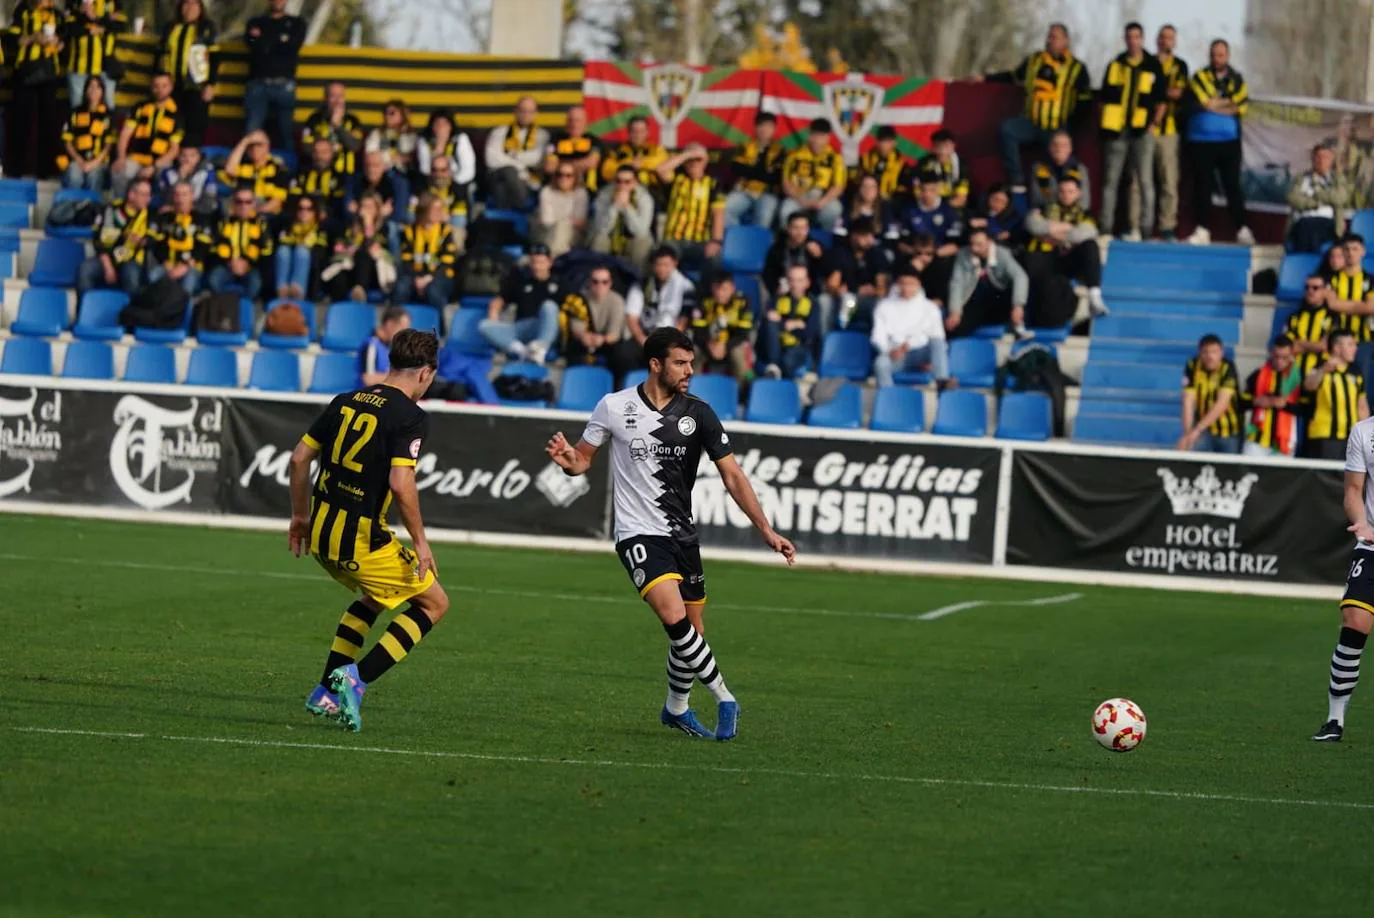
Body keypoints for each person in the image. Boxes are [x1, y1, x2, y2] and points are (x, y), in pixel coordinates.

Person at [544, 326, 796, 740]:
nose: (689, 370)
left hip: (682, 534)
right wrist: (570, 461)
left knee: (692, 633)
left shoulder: (699, 413)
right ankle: (724, 696)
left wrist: (765, 529)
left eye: (692, 363)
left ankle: (676, 708)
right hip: (637, 533)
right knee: (674, 619)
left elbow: (732, 475)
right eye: (680, 363)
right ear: (655, 364)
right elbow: (582, 460)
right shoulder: (613, 406)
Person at [289, 328, 450, 733]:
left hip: (323, 533)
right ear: (426, 373)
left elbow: (298, 460)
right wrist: (421, 542)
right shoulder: (410, 416)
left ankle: (325, 692)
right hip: (362, 540)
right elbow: (401, 483)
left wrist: (300, 517)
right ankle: (354, 681)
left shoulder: (345, 401)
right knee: (434, 603)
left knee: (376, 597)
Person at [1311, 402, 1374, 742]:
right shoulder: (1364, 432)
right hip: (1372, 544)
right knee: (1354, 621)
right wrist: (1361, 522)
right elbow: (1352, 491)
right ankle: (1334, 720)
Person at [980, 23, 1092, 189]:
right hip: (1030, 123)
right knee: (1007, 129)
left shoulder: (1077, 68)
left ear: (1065, 41)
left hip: (1056, 128)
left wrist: (1069, 128)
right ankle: (1017, 180)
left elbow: (1085, 100)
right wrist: (986, 79)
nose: (1049, 41)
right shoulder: (1034, 61)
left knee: (1060, 153)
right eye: (1048, 36)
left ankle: (1063, 192)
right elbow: (1014, 76)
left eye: (1054, 37)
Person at [1097, 21, 1165, 240]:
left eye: (1137, 37)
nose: (1133, 41)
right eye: (1129, 37)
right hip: (1116, 131)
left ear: (1142, 39)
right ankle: (1106, 228)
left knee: (1145, 180)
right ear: (1125, 39)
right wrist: (1105, 122)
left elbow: (1162, 101)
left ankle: (1146, 230)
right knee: (1111, 180)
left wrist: (1153, 125)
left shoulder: (1153, 65)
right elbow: (1103, 98)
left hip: (1142, 131)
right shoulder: (1115, 64)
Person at [1185, 39, 1254, 246]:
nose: (1217, 58)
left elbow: (1239, 106)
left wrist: (1217, 104)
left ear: (1228, 56)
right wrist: (1223, 104)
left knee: (1232, 185)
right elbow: (1205, 102)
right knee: (1202, 186)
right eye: (1214, 54)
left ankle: (1241, 229)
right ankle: (1202, 229)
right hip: (1200, 141)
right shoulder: (1199, 77)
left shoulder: (1238, 79)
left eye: (1221, 54)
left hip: (1228, 141)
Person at [1024, 174, 1108, 324]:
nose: (1066, 195)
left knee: (1090, 246)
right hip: (1045, 259)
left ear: (1078, 193)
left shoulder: (1085, 213)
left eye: (1070, 191)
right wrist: (1065, 228)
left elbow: (1085, 233)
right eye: (1062, 191)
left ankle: (1094, 297)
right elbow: (1032, 224)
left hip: (1068, 259)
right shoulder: (1044, 208)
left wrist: (1051, 233)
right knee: (1032, 256)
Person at [1131, 24, 1188, 241]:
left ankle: (1167, 226)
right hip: (1143, 128)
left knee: (1169, 180)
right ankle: (1135, 225)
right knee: (1138, 179)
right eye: (1162, 38)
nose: (1166, 42)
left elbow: (1178, 92)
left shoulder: (1180, 65)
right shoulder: (1146, 62)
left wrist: (1157, 91)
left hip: (1169, 130)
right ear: (1156, 40)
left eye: (1170, 38)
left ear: (1175, 41)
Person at [358, 306, 468, 401]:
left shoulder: (390, 347)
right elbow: (368, 379)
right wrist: (404, 376)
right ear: (390, 324)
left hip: (394, 395)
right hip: (375, 399)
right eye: (403, 328)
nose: (405, 333)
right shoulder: (372, 345)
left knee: (453, 388)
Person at [11, 0, 67, 180]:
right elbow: (13, 38)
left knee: (48, 123)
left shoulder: (57, 14)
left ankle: (45, 170)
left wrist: (56, 42)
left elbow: (63, 42)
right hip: (26, 71)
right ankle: (16, 169)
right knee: (21, 121)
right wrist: (33, 38)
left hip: (49, 73)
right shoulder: (23, 9)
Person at [480, 244, 562, 365]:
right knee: (484, 326)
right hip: (521, 328)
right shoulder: (521, 280)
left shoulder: (559, 283)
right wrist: (493, 313)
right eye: (534, 262)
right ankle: (523, 352)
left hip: (544, 327)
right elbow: (500, 300)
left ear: (549, 262)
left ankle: (540, 348)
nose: (537, 267)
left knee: (549, 306)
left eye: (541, 262)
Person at [871, 267, 951, 389]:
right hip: (896, 354)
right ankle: (889, 398)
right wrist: (889, 350)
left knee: (938, 342)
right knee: (880, 363)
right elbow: (878, 335)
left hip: (921, 353)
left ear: (918, 284)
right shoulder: (884, 306)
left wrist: (910, 345)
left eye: (911, 284)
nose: (906, 288)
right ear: (897, 284)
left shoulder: (930, 308)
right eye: (903, 283)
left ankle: (942, 382)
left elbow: (938, 338)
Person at [946, 225, 1031, 339]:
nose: (975, 248)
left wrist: (1018, 305)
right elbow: (957, 283)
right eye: (972, 244)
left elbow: (1020, 276)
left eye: (979, 244)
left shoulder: (1002, 254)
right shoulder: (963, 255)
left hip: (999, 298)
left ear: (989, 242)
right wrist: (955, 311)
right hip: (975, 301)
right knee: (954, 328)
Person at [243, 0, 305, 149]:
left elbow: (293, 46)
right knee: (252, 131)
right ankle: (248, 169)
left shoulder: (296, 23)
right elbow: (250, 43)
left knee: (285, 132)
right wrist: (280, 40)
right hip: (258, 84)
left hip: (284, 85)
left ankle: (288, 169)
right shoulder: (255, 21)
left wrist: (264, 39)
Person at [111, 71, 182, 200]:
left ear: (171, 87)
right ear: (151, 87)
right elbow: (124, 135)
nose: (159, 90)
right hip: (137, 158)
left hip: (161, 162)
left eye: (164, 86)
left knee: (170, 178)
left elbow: (174, 150)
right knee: (119, 171)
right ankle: (121, 205)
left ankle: (160, 211)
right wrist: (121, 157)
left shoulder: (177, 113)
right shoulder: (140, 107)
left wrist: (154, 166)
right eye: (156, 86)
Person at [78, 177, 153, 296]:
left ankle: (131, 314)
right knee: (85, 270)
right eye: (144, 195)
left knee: (131, 276)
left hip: (132, 260)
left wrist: (142, 242)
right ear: (131, 195)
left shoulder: (151, 214)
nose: (148, 199)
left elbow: (153, 240)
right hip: (107, 258)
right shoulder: (111, 210)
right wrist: (108, 266)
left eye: (149, 195)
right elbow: (98, 241)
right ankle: (84, 311)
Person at [158, 0, 218, 149]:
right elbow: (160, 53)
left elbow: (215, 58)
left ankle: (191, 162)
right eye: (186, 4)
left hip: (196, 87)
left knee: (195, 127)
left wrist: (210, 84)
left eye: (194, 4)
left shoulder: (206, 28)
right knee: (169, 125)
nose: (189, 8)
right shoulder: (170, 27)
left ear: (200, 8)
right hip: (171, 87)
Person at [656, 143, 725, 269]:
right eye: (690, 160)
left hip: (699, 242)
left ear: (705, 162)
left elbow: (718, 214)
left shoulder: (713, 183)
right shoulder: (676, 179)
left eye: (698, 159)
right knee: (663, 260)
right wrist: (688, 154)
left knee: (715, 257)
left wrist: (716, 241)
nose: (694, 163)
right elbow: (660, 169)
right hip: (673, 240)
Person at [561, 266, 637, 381]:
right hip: (587, 338)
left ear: (610, 283)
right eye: (595, 281)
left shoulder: (617, 301)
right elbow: (576, 327)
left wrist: (601, 339)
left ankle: (617, 389)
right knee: (573, 347)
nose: (599, 286)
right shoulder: (579, 298)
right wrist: (583, 336)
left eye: (604, 282)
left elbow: (614, 334)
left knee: (621, 354)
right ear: (589, 282)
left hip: (608, 341)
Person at [1303, 329, 1369, 460]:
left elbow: (1361, 406)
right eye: (1350, 344)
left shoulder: (1355, 372)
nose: (1355, 348)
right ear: (1337, 347)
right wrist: (1323, 370)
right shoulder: (1319, 366)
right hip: (1324, 435)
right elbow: (1308, 386)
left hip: (1350, 437)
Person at [823, 217, 894, 334]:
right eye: (865, 236)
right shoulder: (840, 253)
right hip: (844, 300)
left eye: (871, 235)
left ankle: (878, 340)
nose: (870, 240)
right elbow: (832, 284)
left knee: (881, 303)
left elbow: (882, 288)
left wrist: (875, 291)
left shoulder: (877, 254)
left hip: (868, 301)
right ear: (854, 236)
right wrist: (839, 291)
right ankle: (838, 331)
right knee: (846, 300)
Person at [322, 191, 393, 303]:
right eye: (363, 206)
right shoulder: (348, 227)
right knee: (338, 277)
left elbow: (372, 249)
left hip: (373, 272)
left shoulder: (384, 228)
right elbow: (338, 248)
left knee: (362, 254)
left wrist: (368, 225)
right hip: (349, 266)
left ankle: (360, 290)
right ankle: (340, 307)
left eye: (369, 207)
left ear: (377, 209)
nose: (365, 210)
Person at [1178, 333, 1241, 453]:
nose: (1210, 356)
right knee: (1189, 458)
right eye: (1205, 352)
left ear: (1221, 353)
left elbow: (1222, 403)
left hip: (1228, 430)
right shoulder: (1192, 366)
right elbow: (1188, 401)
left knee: (1229, 469)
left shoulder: (1228, 367)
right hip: (1203, 430)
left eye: (1214, 352)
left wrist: (1196, 430)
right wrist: (1187, 434)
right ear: (1200, 353)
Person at [148, 180, 212, 298]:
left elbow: (203, 248)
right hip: (168, 265)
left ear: (192, 196)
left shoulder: (201, 219)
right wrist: (166, 262)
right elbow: (158, 244)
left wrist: (185, 266)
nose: (180, 199)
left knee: (187, 285)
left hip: (192, 267)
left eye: (184, 194)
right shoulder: (165, 218)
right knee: (153, 277)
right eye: (177, 194)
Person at [778, 118, 846, 228]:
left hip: (823, 198)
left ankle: (823, 242)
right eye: (814, 135)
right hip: (798, 196)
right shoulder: (794, 155)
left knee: (834, 209)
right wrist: (801, 200)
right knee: (786, 211)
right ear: (809, 135)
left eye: (821, 136)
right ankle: (785, 242)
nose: (817, 140)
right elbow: (786, 183)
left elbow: (838, 186)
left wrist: (822, 202)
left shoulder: (835, 158)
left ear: (828, 137)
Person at [393, 193, 458, 309]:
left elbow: (447, 262)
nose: (440, 212)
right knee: (401, 288)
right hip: (415, 275)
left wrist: (428, 278)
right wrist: (417, 278)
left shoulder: (445, 231)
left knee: (433, 290)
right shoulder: (410, 231)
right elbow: (406, 260)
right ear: (424, 211)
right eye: (436, 209)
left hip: (439, 276)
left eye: (441, 208)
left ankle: (439, 325)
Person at [483, 95, 548, 209]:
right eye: (522, 111)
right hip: (500, 176)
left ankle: (504, 220)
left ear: (536, 113)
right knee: (509, 172)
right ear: (515, 111)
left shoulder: (542, 135)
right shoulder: (500, 132)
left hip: (529, 183)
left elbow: (539, 160)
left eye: (530, 111)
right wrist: (520, 166)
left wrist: (513, 154)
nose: (526, 115)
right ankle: (521, 210)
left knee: (501, 188)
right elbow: (491, 160)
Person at [1242, 335, 1302, 458]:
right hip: (1257, 438)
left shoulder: (1298, 379)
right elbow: (1240, 402)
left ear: (1292, 355)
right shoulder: (1257, 375)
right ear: (1270, 353)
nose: (1279, 361)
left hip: (1285, 441)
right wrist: (1255, 401)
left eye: (1284, 358)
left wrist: (1285, 405)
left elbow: (1306, 409)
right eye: (1276, 357)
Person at [206, 189, 272, 299]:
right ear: (233, 203)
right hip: (227, 265)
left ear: (254, 204)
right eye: (239, 201)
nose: (243, 206)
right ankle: (224, 309)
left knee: (255, 285)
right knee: (213, 280)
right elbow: (213, 246)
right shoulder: (224, 222)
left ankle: (244, 311)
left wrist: (248, 263)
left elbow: (267, 249)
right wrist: (229, 262)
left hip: (251, 267)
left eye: (248, 202)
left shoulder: (261, 223)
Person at [625, 246, 695, 347]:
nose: (662, 269)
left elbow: (683, 320)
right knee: (623, 352)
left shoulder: (686, 286)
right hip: (644, 336)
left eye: (666, 265)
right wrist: (642, 339)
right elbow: (631, 316)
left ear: (675, 264)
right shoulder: (642, 284)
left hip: (673, 339)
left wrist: (669, 343)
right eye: (659, 264)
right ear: (653, 265)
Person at [689, 273, 754, 381]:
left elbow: (743, 333)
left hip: (732, 344)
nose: (720, 294)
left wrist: (726, 346)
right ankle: (693, 391)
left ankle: (741, 392)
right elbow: (698, 330)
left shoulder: (743, 302)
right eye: (717, 289)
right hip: (708, 344)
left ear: (732, 288)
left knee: (738, 353)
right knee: (693, 352)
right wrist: (709, 343)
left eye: (724, 289)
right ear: (712, 288)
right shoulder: (704, 302)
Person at [724, 112, 783, 229]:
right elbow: (736, 168)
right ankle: (739, 238)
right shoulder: (745, 146)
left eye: (768, 126)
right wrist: (764, 173)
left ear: (774, 129)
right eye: (761, 125)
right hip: (744, 191)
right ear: (755, 128)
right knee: (724, 208)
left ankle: (757, 244)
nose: (764, 129)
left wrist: (750, 171)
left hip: (767, 193)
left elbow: (776, 177)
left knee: (764, 216)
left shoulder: (780, 150)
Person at [589, 164, 655, 269]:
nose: (622, 185)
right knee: (599, 239)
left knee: (642, 241)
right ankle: (599, 278)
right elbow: (602, 228)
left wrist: (627, 207)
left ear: (635, 182)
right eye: (618, 181)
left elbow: (641, 230)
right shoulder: (605, 194)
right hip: (610, 238)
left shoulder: (644, 197)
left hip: (632, 239)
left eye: (627, 182)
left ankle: (639, 281)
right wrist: (614, 207)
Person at [758, 264, 817, 379]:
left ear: (807, 283)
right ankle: (773, 366)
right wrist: (793, 324)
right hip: (777, 346)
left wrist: (781, 323)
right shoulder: (777, 300)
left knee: (787, 360)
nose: (795, 285)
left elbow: (809, 334)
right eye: (791, 280)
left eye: (800, 281)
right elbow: (767, 326)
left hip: (799, 348)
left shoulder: (813, 304)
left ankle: (776, 371)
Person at [1286, 144, 1349, 253]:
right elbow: (1292, 198)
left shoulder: (1337, 179)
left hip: (1328, 222)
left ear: (1331, 161)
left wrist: (1318, 194)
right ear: (1313, 159)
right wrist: (1314, 204)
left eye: (1325, 157)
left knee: (1319, 234)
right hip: (1303, 221)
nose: (1321, 160)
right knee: (1306, 228)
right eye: (1318, 157)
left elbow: (1341, 197)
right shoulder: (1301, 178)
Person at [64, 0, 124, 111]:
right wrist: (92, 26)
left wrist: (96, 19)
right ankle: (78, 128)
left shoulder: (113, 2)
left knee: (108, 104)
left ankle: (106, 127)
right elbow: (69, 26)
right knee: (78, 105)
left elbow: (120, 25)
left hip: (105, 66)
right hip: (79, 66)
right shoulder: (74, 3)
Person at [58, 74, 113, 191]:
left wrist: (94, 163)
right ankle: (72, 206)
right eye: (90, 87)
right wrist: (79, 160)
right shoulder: (75, 112)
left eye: (98, 87)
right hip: (77, 160)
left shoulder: (108, 115)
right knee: (73, 174)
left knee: (94, 175)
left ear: (103, 91)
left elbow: (109, 145)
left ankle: (90, 207)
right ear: (85, 90)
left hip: (99, 161)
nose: (94, 90)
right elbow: (67, 141)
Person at [301, 80, 365, 177]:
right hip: (318, 174)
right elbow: (306, 147)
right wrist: (326, 149)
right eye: (333, 96)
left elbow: (355, 146)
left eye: (340, 96)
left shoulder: (353, 121)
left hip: (347, 176)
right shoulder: (313, 120)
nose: (337, 100)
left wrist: (337, 126)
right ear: (326, 98)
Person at [220, 129, 289, 216]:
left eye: (259, 145)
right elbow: (229, 170)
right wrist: (245, 141)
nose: (254, 148)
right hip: (242, 206)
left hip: (265, 213)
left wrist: (254, 213)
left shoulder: (278, 168)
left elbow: (277, 202)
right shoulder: (242, 163)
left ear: (267, 147)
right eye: (251, 145)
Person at [599, 115, 668, 201]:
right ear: (629, 132)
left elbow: (662, 161)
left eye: (641, 131)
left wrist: (642, 164)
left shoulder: (655, 148)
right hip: (621, 192)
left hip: (650, 193)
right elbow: (606, 171)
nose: (638, 135)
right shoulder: (618, 150)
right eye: (634, 131)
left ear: (647, 132)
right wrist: (629, 164)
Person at [274, 194, 327, 300]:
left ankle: (297, 290)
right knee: (283, 251)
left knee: (301, 251)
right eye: (300, 208)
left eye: (309, 209)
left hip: (311, 272)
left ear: (315, 211)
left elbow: (321, 253)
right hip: (288, 259)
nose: (304, 212)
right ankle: (282, 290)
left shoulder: (320, 229)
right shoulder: (287, 226)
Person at [763, 211, 825, 298]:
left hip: (808, 292)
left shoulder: (816, 247)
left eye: (804, 228)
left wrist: (819, 258)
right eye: (795, 228)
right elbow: (768, 274)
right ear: (788, 228)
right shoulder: (777, 249)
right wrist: (776, 289)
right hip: (783, 289)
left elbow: (820, 276)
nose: (800, 232)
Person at [535, 162, 589, 257]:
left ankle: (552, 258)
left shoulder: (581, 193)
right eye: (560, 174)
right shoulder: (547, 191)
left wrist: (563, 223)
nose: (563, 178)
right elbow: (547, 221)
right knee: (559, 228)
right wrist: (566, 221)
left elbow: (580, 221)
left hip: (573, 234)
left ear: (575, 177)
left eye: (568, 175)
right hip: (548, 231)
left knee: (562, 227)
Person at [1285, 274, 1335, 377]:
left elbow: (1324, 346)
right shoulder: (1294, 317)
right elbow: (1289, 347)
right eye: (1307, 287)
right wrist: (1314, 346)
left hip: (1321, 372)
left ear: (1325, 291)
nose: (1310, 291)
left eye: (1315, 288)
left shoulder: (1333, 317)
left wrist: (1299, 343)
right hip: (1295, 371)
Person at [1030, 130, 1091, 212]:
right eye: (1055, 145)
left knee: (1087, 225)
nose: (1059, 149)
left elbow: (1085, 203)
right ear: (1049, 147)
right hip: (1047, 214)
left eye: (1064, 145)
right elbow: (1036, 200)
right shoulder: (1038, 168)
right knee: (1031, 219)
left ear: (1070, 149)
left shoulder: (1080, 169)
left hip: (1074, 215)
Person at [420, 153, 471, 251]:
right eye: (435, 170)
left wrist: (439, 216)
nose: (438, 174)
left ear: (449, 170)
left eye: (443, 170)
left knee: (457, 233)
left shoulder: (458, 189)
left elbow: (459, 219)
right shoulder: (422, 187)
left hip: (449, 227)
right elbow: (414, 212)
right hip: (426, 226)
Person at [415, 108, 476, 189]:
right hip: (431, 183)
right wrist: (438, 148)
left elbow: (468, 171)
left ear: (451, 126)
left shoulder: (461, 139)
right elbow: (425, 169)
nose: (441, 127)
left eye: (444, 124)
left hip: (458, 184)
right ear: (432, 127)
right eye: (437, 124)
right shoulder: (424, 141)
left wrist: (449, 182)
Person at [542, 104, 600, 188]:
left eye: (578, 120)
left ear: (585, 122)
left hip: (584, 188)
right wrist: (580, 164)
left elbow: (592, 162)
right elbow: (550, 167)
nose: (574, 124)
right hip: (556, 187)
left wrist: (562, 165)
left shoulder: (594, 141)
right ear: (566, 122)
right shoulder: (555, 139)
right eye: (571, 120)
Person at [292, 136, 347, 226]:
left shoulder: (340, 177)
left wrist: (322, 211)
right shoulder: (302, 174)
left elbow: (338, 204)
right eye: (316, 152)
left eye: (324, 152)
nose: (320, 156)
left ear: (331, 154)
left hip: (329, 221)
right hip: (302, 218)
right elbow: (294, 198)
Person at [838, 173, 900, 243]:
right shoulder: (848, 208)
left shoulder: (885, 209)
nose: (868, 190)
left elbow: (891, 237)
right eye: (865, 186)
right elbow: (840, 234)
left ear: (877, 190)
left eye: (872, 187)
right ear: (859, 189)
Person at [852, 125, 909, 201]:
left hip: (890, 200)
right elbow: (858, 180)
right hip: (868, 197)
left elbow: (903, 187)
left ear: (894, 143)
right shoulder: (865, 159)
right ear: (877, 142)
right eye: (882, 141)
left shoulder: (901, 163)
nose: (884, 145)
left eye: (888, 141)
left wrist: (890, 196)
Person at [158, 145, 217, 215]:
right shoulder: (168, 173)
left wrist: (188, 208)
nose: (187, 159)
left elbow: (209, 202)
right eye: (183, 155)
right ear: (178, 157)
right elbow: (165, 199)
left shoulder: (207, 172)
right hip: (173, 213)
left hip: (199, 213)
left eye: (192, 155)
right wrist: (180, 178)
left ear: (198, 157)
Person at [365, 99, 418, 174]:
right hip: (382, 172)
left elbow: (411, 155)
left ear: (402, 115)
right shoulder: (377, 133)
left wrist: (402, 132)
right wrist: (391, 160)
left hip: (406, 173)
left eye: (392, 113)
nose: (387, 116)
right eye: (385, 113)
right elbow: (370, 152)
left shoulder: (411, 135)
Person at [973, 183, 1027, 249]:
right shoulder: (979, 209)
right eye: (995, 199)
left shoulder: (1015, 215)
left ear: (1008, 203)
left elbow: (1017, 231)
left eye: (1003, 202)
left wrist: (1009, 233)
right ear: (988, 196)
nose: (998, 204)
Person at [925, 129, 967, 202]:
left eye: (946, 146)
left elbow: (961, 199)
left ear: (953, 146)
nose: (942, 150)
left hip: (951, 203)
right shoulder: (924, 163)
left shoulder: (961, 165)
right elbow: (921, 193)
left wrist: (945, 209)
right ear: (932, 147)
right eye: (938, 146)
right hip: (930, 203)